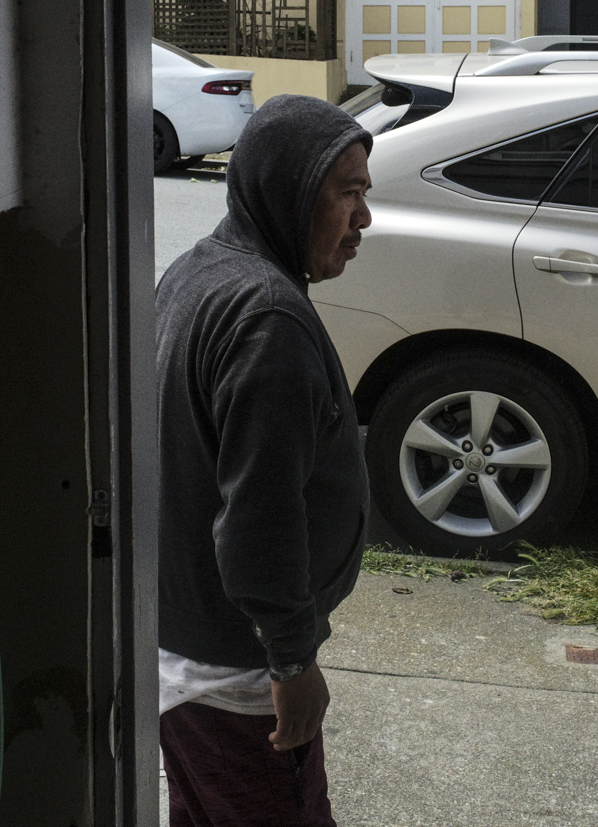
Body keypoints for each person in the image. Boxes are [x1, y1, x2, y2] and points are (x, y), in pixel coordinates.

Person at [155, 94, 375, 827]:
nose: (363, 220)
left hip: (188, 661)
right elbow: (258, 514)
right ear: (290, 188)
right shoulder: (267, 318)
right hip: (236, 676)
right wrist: (291, 659)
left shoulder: (197, 272)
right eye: (347, 193)